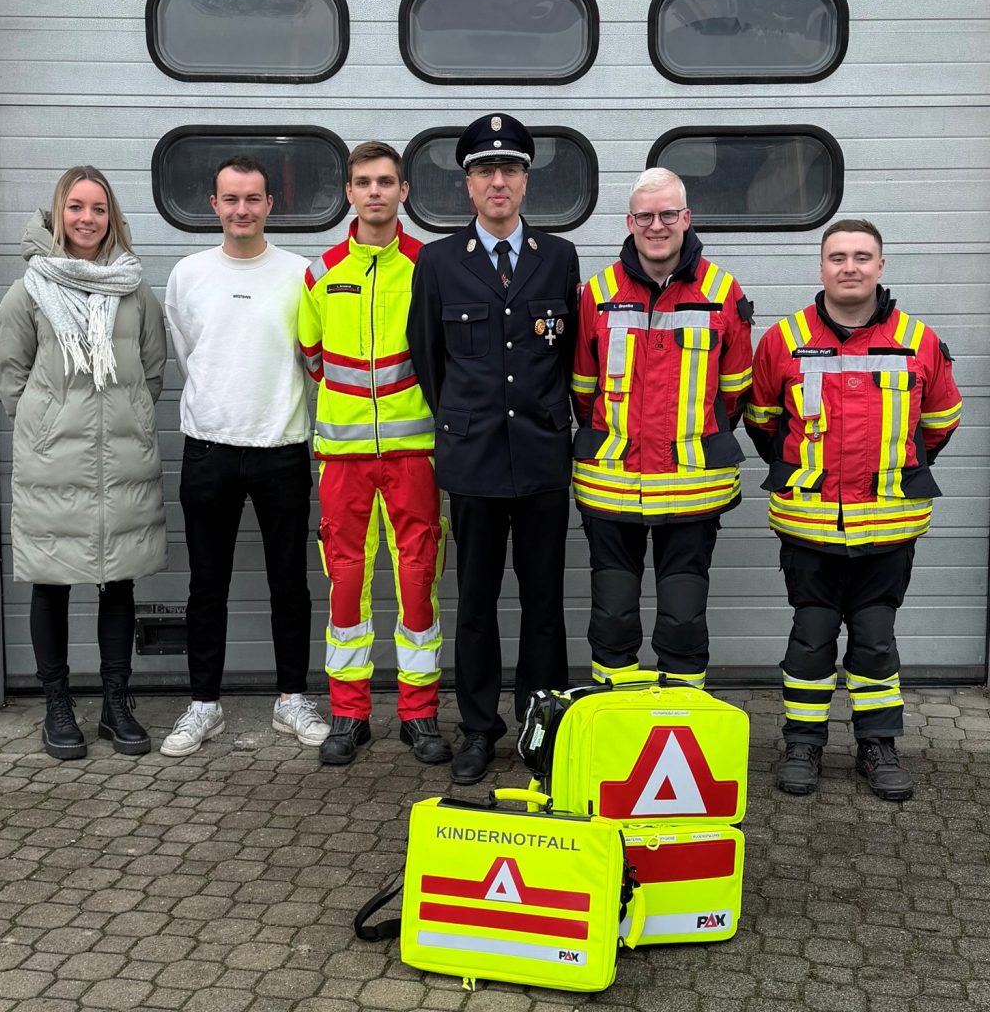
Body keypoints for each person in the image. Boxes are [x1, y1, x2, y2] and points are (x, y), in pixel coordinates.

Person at [745, 218, 962, 801]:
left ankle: (878, 744)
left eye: (862, 257)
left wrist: (895, 468)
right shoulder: (783, 340)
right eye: (838, 256)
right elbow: (763, 420)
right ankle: (803, 744)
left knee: (874, 640)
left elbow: (940, 422)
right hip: (808, 526)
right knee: (811, 638)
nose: (850, 267)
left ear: (881, 267)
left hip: (889, 527)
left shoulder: (918, 341)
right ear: (822, 267)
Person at [407, 113, 580, 785]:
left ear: (526, 180)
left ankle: (544, 733)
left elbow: (569, 357)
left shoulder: (556, 258)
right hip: (474, 460)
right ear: (468, 185)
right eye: (485, 171)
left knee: (544, 607)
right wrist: (467, 419)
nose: (498, 181)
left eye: (509, 169)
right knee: (475, 607)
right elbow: (430, 357)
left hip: (540, 460)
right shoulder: (440, 261)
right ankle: (479, 729)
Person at [0, 165, 167, 760]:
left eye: (98, 209)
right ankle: (57, 705)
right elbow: (9, 375)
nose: (87, 219)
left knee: (117, 580)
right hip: (54, 462)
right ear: (58, 212)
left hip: (120, 456)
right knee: (52, 583)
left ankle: (117, 704)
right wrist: (43, 427)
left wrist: (132, 419)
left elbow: (151, 367)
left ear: (111, 217)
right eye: (76, 207)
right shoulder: (29, 288)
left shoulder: (133, 288)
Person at [161, 155, 329, 757]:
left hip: (281, 446)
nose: (242, 210)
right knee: (207, 583)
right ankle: (204, 703)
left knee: (290, 583)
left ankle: (291, 699)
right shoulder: (187, 274)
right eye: (230, 199)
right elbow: (190, 352)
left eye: (253, 199)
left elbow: (312, 357)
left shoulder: (300, 273)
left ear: (269, 205)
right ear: (213, 205)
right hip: (208, 447)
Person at [571, 168, 754, 689]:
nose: (657, 225)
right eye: (646, 216)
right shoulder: (598, 291)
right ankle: (619, 720)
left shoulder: (723, 290)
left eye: (667, 214)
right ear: (630, 222)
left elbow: (734, 391)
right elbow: (583, 389)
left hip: (694, 487)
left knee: (682, 618)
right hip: (611, 484)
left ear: (686, 218)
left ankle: (681, 724)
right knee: (612, 617)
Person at [298, 141, 449, 766]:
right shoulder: (321, 273)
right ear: (349, 192)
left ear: (404, 191)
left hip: (415, 453)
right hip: (343, 460)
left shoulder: (430, 266)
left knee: (419, 585)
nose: (376, 192)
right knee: (346, 588)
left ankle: (419, 715)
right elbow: (311, 356)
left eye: (386, 181)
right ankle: (348, 715)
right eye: (364, 182)